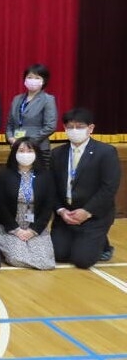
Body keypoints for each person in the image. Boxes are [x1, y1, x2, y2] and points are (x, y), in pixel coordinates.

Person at [50, 108, 120, 269]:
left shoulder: (106, 152)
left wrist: (87, 211)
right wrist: (61, 210)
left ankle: (103, 245)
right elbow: (52, 187)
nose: (74, 130)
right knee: (58, 254)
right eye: (70, 127)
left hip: (93, 215)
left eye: (80, 127)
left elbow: (109, 188)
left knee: (82, 260)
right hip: (66, 216)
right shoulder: (57, 153)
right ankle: (81, 239)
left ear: (90, 128)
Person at [0, 138, 56, 270]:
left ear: (36, 153)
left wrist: (33, 230)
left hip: (35, 226)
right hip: (10, 226)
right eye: (21, 151)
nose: (25, 154)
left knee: (46, 262)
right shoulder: (4, 175)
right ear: (14, 153)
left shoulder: (45, 176)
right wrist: (16, 230)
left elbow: (48, 206)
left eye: (29, 151)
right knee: (17, 258)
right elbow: (0, 206)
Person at [5, 64, 57, 168]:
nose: (33, 80)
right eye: (29, 77)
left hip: (38, 148)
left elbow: (50, 126)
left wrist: (28, 142)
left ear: (43, 81)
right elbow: (9, 123)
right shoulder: (17, 99)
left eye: (37, 78)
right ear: (25, 79)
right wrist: (10, 137)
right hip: (17, 147)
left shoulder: (48, 99)